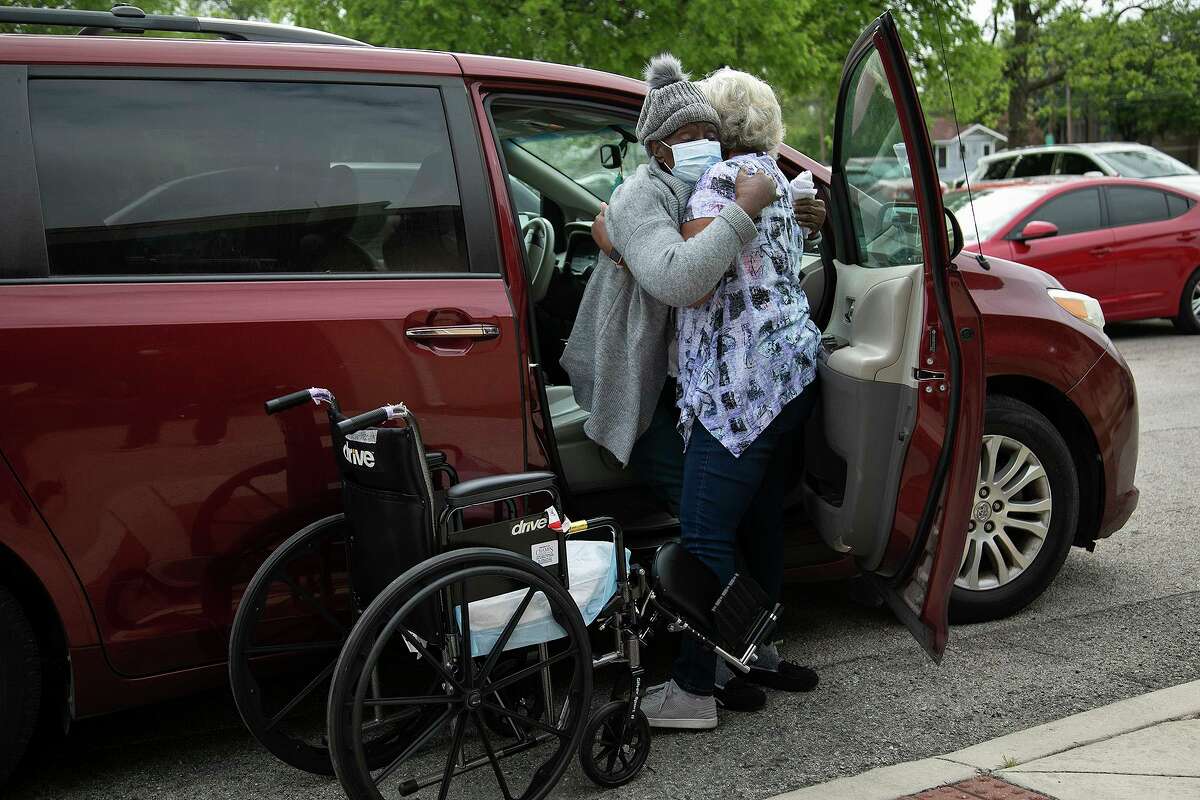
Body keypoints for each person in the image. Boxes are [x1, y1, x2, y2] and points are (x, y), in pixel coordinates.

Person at [638, 67, 823, 730]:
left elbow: (688, 271)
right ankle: (757, 652)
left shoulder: (721, 182)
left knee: (703, 534)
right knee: (760, 523)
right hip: (789, 375)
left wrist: (621, 243)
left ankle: (696, 685)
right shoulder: (774, 177)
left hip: (736, 391)